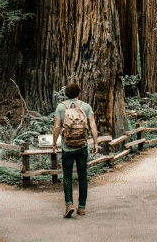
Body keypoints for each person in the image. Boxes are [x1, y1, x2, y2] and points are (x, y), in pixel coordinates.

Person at [51, 82, 99, 218]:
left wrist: (54, 143)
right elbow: (92, 125)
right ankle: (82, 207)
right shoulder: (86, 106)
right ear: (79, 93)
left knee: (67, 176)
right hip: (82, 146)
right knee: (82, 176)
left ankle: (69, 204)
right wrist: (96, 143)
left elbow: (56, 127)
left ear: (66, 93)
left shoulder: (61, 107)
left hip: (67, 147)